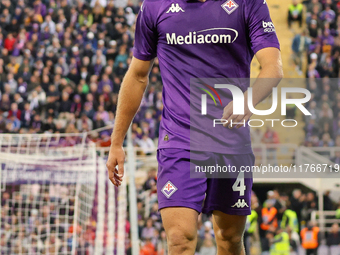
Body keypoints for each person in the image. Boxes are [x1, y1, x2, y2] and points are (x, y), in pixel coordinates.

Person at [106, 0, 283, 254]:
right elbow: (137, 75)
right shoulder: (155, 7)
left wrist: (249, 100)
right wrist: (116, 141)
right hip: (179, 140)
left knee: (229, 237)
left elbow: (272, 67)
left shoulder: (248, 3)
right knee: (180, 238)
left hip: (231, 141)